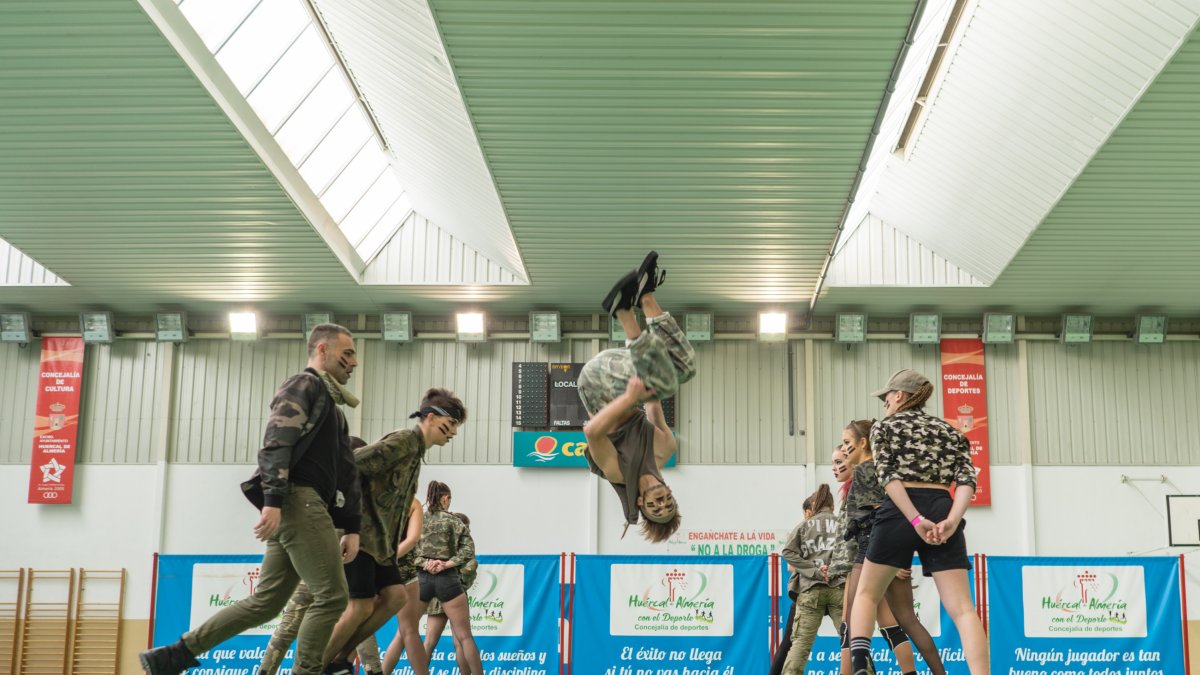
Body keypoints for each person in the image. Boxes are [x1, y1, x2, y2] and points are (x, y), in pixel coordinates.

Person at [140, 324, 362, 675]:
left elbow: (347, 470)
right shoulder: (304, 385)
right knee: (332, 597)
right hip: (298, 503)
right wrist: (273, 500)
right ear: (322, 350)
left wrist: (351, 524)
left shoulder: (333, 409)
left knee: (266, 602)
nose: (354, 362)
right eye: (347, 353)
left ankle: (174, 655)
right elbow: (276, 440)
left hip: (301, 506)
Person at [848, 369, 988, 675]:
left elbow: (888, 478)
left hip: (901, 509)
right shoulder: (952, 432)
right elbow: (966, 480)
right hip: (942, 505)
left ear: (899, 396)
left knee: (867, 594)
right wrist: (952, 520)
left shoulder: (885, 427)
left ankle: (859, 665)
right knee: (964, 609)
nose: (884, 402)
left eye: (886, 396)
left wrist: (914, 518)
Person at [323, 390, 467, 675]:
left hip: (381, 546)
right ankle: (312, 665)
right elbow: (351, 466)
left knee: (396, 597)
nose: (453, 433)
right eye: (450, 425)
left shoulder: (416, 455)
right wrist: (346, 523)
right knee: (359, 607)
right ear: (431, 417)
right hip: (361, 536)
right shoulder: (403, 441)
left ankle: (338, 658)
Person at [581, 251, 696, 542]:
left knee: (669, 381)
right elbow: (654, 400)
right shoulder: (665, 447)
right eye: (668, 502)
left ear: (641, 503)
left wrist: (628, 397)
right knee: (684, 367)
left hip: (597, 386)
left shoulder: (619, 473)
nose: (662, 502)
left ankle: (623, 312)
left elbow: (592, 431)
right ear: (670, 492)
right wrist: (645, 385)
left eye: (657, 508)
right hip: (619, 378)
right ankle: (645, 295)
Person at [840, 418, 946, 675]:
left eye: (847, 443)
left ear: (863, 443)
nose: (843, 450)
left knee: (853, 616)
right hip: (895, 543)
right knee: (907, 619)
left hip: (872, 545)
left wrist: (888, 559)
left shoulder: (866, 470)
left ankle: (856, 669)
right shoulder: (887, 470)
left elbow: (877, 514)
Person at [413, 481, 485, 674]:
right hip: (449, 584)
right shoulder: (454, 522)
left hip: (425, 581)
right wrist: (446, 563)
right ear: (445, 498)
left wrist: (425, 563)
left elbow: (406, 550)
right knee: (463, 638)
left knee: (419, 638)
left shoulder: (418, 520)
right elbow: (469, 552)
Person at [778, 484, 845, 674]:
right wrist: (833, 569)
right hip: (839, 588)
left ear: (814, 507)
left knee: (800, 645)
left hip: (809, 590)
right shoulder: (843, 523)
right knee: (852, 642)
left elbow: (788, 553)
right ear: (832, 506)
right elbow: (854, 553)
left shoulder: (803, 525)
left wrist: (815, 571)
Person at [422, 512, 479, 674]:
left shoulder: (438, 551)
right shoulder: (464, 555)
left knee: (430, 642)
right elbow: (467, 578)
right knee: (462, 641)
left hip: (436, 595)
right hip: (455, 595)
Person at [379, 499, 430, 675]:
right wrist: (390, 560)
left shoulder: (367, 498)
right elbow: (413, 539)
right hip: (403, 570)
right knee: (409, 631)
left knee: (356, 626)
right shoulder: (412, 503)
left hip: (368, 567)